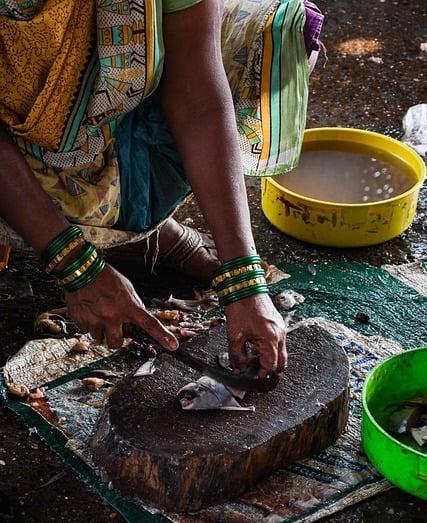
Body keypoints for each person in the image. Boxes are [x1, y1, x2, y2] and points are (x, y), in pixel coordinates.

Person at [0, 0, 323, 377]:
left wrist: (245, 281)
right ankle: (86, 230)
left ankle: (132, 232)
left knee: (272, 36)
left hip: (87, 108)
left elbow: (198, 101)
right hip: (21, 126)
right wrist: (74, 264)